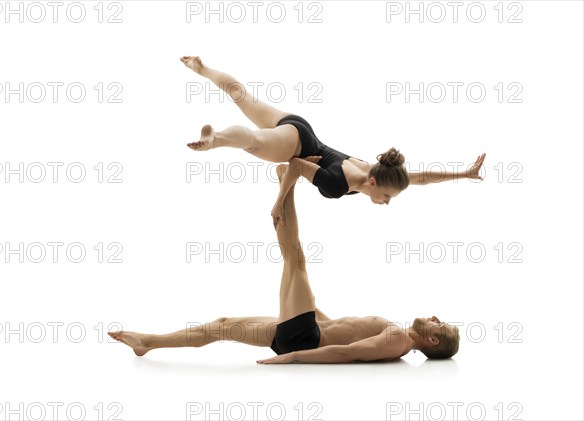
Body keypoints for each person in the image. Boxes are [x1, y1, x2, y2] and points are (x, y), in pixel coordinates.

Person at [108, 166, 459, 363]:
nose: (434, 316)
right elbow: (340, 327)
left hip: (303, 337)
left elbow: (346, 352)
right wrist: (311, 307)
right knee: (221, 325)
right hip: (299, 331)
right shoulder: (396, 334)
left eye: (438, 325)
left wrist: (290, 359)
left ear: (430, 339)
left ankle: (284, 182)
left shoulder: (399, 339)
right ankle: (148, 342)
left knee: (296, 259)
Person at [181, 56, 486, 227]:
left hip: (300, 127)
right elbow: (297, 166)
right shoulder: (339, 185)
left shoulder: (372, 169)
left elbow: (421, 179)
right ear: (375, 186)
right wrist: (278, 203)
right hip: (295, 143)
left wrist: (464, 173)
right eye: (389, 197)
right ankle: (216, 139)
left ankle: (201, 68)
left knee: (242, 97)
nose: (387, 203)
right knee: (254, 142)